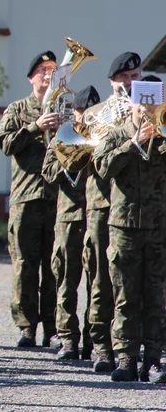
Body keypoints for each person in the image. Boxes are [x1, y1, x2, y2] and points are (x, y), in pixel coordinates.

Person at [92, 80, 166, 383]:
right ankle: (125, 358)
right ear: (132, 104)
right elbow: (102, 166)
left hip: (158, 226)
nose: (147, 111)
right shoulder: (116, 132)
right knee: (124, 296)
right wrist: (133, 142)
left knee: (155, 295)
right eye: (143, 105)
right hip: (123, 227)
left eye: (153, 106)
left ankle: (153, 360)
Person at [0, 50, 60, 348]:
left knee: (55, 265)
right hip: (26, 197)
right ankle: (26, 326)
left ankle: (53, 326)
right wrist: (36, 127)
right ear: (30, 77)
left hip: (57, 196)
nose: (47, 76)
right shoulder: (17, 108)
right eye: (42, 70)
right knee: (24, 263)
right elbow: (5, 143)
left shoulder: (65, 109)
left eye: (52, 70)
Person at [82, 52, 143, 372]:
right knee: (101, 279)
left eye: (135, 76)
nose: (130, 83)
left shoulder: (151, 111)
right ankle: (101, 347)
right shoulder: (96, 113)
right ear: (112, 82)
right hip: (102, 204)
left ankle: (133, 348)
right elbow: (84, 159)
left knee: (133, 281)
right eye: (124, 78)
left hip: (137, 207)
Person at [41, 85, 100, 361]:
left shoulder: (103, 135)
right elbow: (48, 173)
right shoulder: (62, 138)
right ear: (74, 112)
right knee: (66, 279)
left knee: (97, 282)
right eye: (81, 111)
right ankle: (67, 339)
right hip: (68, 217)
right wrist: (70, 160)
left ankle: (94, 340)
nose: (85, 116)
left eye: (91, 111)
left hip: (95, 216)